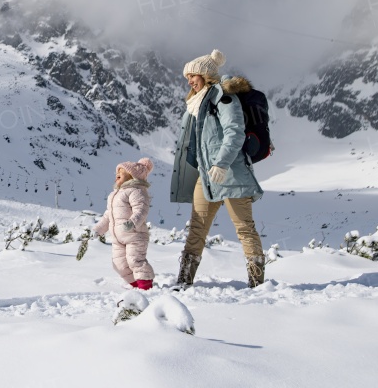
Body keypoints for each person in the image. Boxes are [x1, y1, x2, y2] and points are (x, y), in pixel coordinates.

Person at [168, 49, 266, 288]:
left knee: (244, 228)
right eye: (187, 77)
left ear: (206, 75)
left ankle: (257, 282)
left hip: (232, 174)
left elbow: (234, 132)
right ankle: (183, 281)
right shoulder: (196, 103)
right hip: (207, 176)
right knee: (197, 227)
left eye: (193, 75)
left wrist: (221, 163)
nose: (189, 80)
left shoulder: (224, 98)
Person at [92, 157, 156, 290]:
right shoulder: (114, 195)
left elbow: (141, 210)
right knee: (119, 264)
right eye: (116, 176)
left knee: (135, 261)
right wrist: (98, 229)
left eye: (119, 176)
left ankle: (146, 287)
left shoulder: (137, 191)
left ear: (130, 177)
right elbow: (108, 216)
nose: (116, 179)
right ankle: (137, 286)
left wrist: (132, 223)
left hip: (134, 236)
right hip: (118, 238)